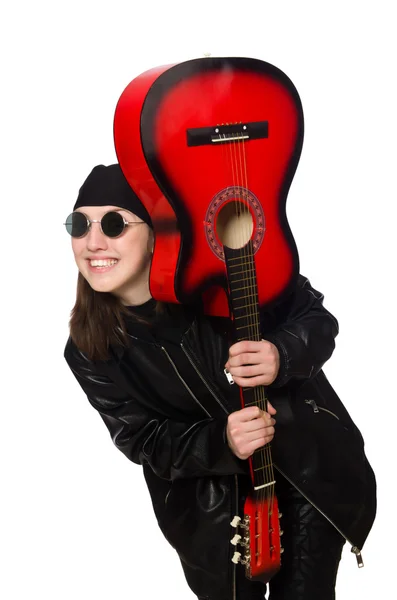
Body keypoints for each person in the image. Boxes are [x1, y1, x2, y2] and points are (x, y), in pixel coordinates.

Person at [64, 163, 376, 600]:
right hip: (210, 513)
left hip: (307, 477)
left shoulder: (229, 277)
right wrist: (221, 440)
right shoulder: (88, 349)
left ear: (157, 231)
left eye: (114, 224)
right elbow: (145, 441)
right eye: (78, 225)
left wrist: (281, 354)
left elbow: (316, 320)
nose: (93, 242)